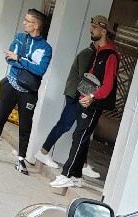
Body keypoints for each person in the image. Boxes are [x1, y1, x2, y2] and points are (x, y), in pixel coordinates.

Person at [50, 16, 119, 191]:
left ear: (104, 31)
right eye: (91, 26)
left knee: (79, 137)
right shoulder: (98, 51)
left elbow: (108, 85)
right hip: (86, 100)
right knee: (81, 137)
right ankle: (77, 177)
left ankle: (66, 174)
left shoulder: (110, 54)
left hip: (94, 103)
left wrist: (93, 97)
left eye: (95, 27)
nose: (91, 30)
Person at [0, 9, 52, 175]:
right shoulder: (20, 38)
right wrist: (21, 62)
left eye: (27, 21)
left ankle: (21, 160)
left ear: (36, 25)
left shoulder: (46, 48)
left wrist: (19, 59)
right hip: (10, 84)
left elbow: (40, 70)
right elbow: (8, 58)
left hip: (29, 91)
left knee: (25, 127)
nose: (24, 23)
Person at [35, 39, 99, 178]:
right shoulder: (87, 54)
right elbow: (86, 78)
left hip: (79, 95)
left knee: (83, 129)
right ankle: (43, 152)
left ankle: (83, 164)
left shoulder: (92, 54)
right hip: (76, 95)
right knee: (65, 125)